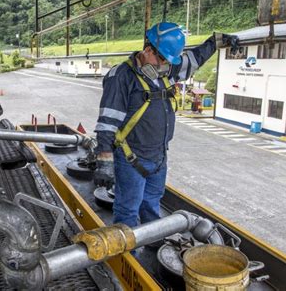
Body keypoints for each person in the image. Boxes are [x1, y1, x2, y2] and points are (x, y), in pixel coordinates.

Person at [93, 22, 238, 230]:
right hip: (131, 158)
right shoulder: (122, 76)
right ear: (148, 49)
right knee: (127, 211)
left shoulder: (166, 70)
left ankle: (152, 242)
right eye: (161, 59)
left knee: (152, 204)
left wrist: (217, 41)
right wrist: (104, 159)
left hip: (159, 157)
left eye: (168, 61)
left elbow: (195, 58)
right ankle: (127, 259)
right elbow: (107, 121)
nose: (163, 65)